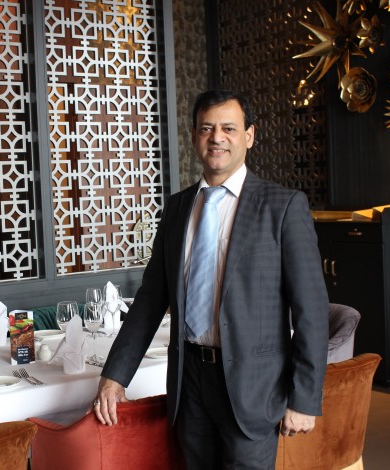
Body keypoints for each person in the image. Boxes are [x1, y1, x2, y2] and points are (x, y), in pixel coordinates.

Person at [93, 89, 329, 469]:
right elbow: (151, 299)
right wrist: (116, 374)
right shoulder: (177, 208)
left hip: (254, 388)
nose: (217, 137)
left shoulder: (283, 206)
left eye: (229, 128)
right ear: (194, 137)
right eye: (207, 128)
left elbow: (311, 312)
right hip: (189, 383)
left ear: (249, 136)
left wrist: (304, 398)